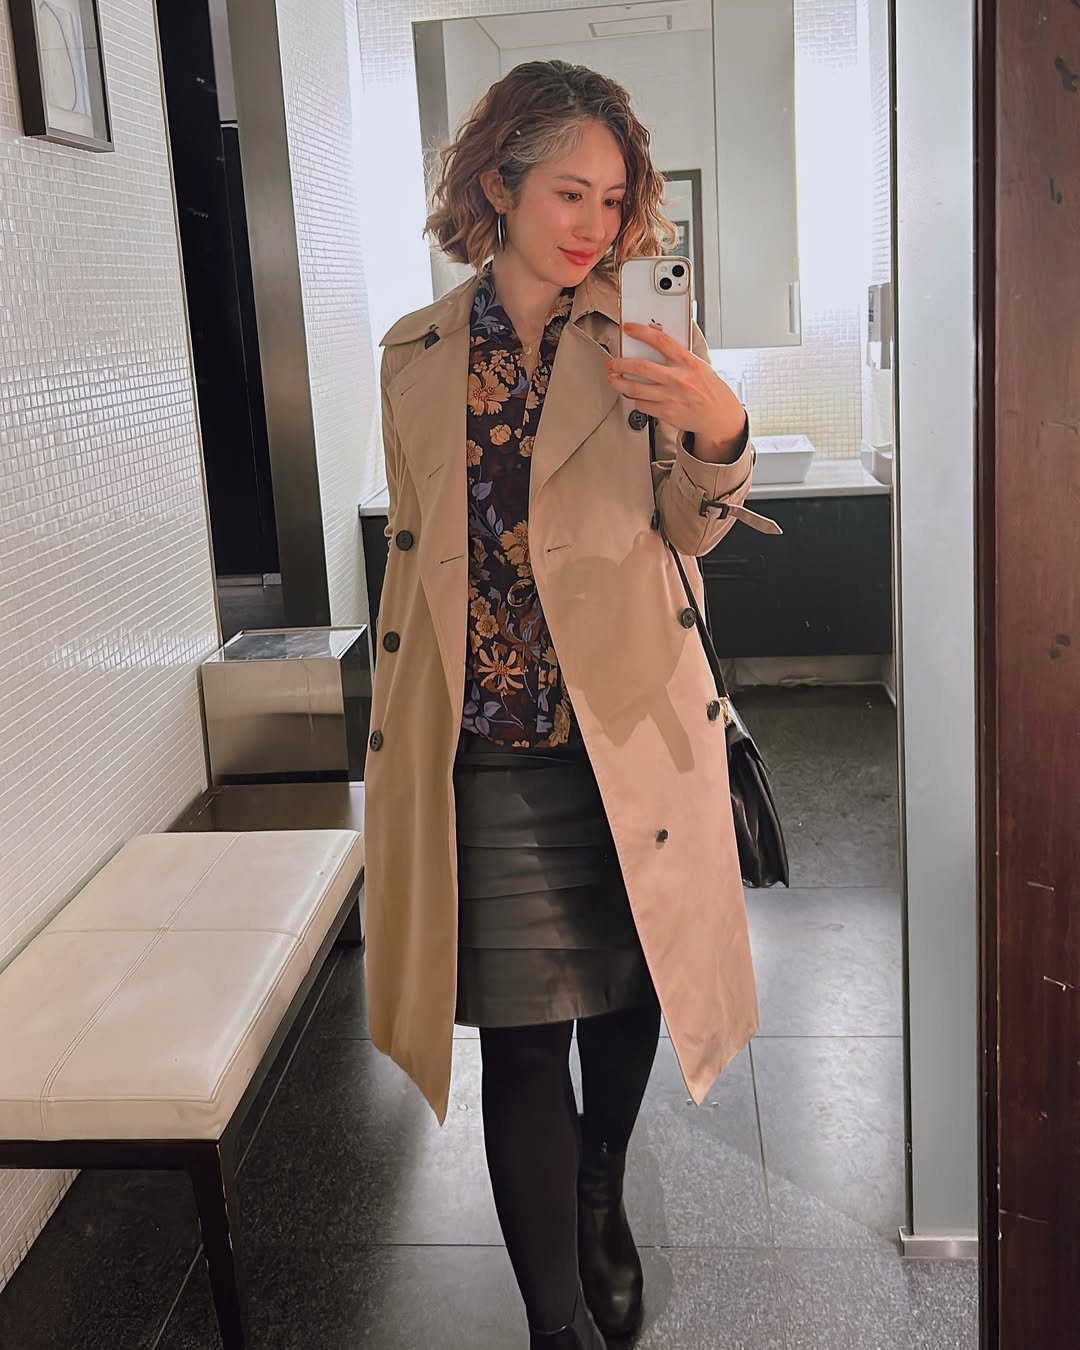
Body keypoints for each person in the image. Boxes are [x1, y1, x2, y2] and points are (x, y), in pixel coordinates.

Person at [364, 60, 773, 1348]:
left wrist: (719, 431)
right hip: (485, 744)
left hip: (627, 733)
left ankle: (602, 1187)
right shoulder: (415, 354)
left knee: (631, 993)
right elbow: (423, 550)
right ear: (498, 186)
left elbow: (691, 531)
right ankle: (553, 1324)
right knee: (523, 1041)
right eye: (568, 193)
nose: (595, 224)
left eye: (613, 197)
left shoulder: (641, 337)